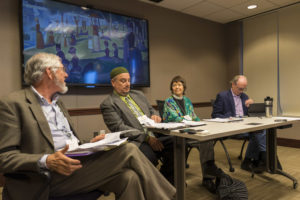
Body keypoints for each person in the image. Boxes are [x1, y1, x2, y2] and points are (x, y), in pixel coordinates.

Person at [0, 53, 176, 200]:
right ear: (49, 73)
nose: (66, 75)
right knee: (128, 149)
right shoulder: (13, 104)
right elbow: (4, 158)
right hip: (46, 178)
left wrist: (90, 142)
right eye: (62, 69)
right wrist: (46, 160)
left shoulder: (58, 104)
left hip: (77, 165)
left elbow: (71, 142)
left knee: (128, 178)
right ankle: (169, 197)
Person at [100, 67, 174, 184]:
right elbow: (120, 129)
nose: (127, 84)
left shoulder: (138, 94)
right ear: (113, 83)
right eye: (123, 81)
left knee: (177, 143)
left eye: (129, 80)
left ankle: (166, 182)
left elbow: (152, 111)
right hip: (135, 141)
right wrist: (147, 138)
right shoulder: (109, 104)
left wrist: (155, 116)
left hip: (154, 134)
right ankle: (155, 187)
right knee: (149, 158)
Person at [163, 75, 221, 193]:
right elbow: (174, 117)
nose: (177, 87)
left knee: (207, 141)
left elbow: (193, 116)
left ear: (184, 87)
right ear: (171, 88)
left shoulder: (187, 100)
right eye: (174, 85)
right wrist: (188, 120)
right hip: (177, 134)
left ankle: (208, 178)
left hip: (191, 131)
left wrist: (202, 124)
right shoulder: (168, 101)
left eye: (179, 84)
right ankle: (176, 179)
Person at [211, 75, 267, 173]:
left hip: (244, 126)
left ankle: (257, 160)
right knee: (257, 133)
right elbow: (215, 115)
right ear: (233, 84)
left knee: (262, 130)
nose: (242, 91)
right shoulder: (222, 96)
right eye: (240, 88)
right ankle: (260, 159)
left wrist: (251, 107)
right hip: (231, 127)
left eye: (244, 89)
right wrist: (230, 117)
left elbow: (248, 116)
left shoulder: (245, 96)